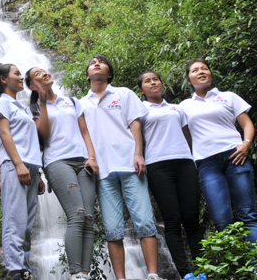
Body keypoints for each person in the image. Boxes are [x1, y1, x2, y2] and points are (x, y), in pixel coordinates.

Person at [79, 55, 163, 280]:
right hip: (103, 172)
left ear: (109, 73)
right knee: (113, 229)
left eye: (102, 62)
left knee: (144, 221)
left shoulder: (123, 94)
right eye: (92, 63)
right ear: (88, 75)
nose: (97, 64)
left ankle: (153, 275)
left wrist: (138, 153)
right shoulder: (81, 104)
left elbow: (135, 123)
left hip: (129, 165)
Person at [180, 59, 257, 245]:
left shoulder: (228, 97)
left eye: (204, 68)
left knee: (248, 214)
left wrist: (246, 144)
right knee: (221, 220)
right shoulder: (184, 106)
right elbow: (187, 136)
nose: (201, 72)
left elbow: (247, 124)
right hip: (207, 163)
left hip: (235, 156)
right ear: (189, 79)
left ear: (210, 74)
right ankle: (234, 272)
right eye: (195, 70)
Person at [25, 67, 97, 280]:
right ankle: (76, 273)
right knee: (77, 214)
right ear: (31, 85)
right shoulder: (33, 108)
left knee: (90, 218)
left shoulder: (73, 102)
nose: (44, 73)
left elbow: (84, 131)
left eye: (44, 70)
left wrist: (91, 157)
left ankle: (85, 272)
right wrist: (44, 100)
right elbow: (44, 133)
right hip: (57, 162)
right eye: (38, 74)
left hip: (83, 161)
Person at [138, 71, 203, 277]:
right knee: (172, 220)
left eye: (156, 79)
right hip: (158, 165)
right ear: (141, 90)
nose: (153, 83)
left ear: (161, 84)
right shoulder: (139, 110)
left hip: (184, 163)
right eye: (147, 81)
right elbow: (136, 138)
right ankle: (186, 273)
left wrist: (193, 158)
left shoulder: (177, 108)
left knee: (192, 219)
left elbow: (187, 135)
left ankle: (204, 269)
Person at [0, 64, 44, 280]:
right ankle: (14, 270)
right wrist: (19, 164)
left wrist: (36, 172)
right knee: (15, 219)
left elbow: (29, 141)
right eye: (17, 74)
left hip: (29, 166)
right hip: (14, 165)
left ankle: (25, 269)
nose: (21, 77)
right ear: (3, 79)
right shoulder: (2, 102)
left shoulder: (20, 107)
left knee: (27, 222)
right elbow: (4, 134)